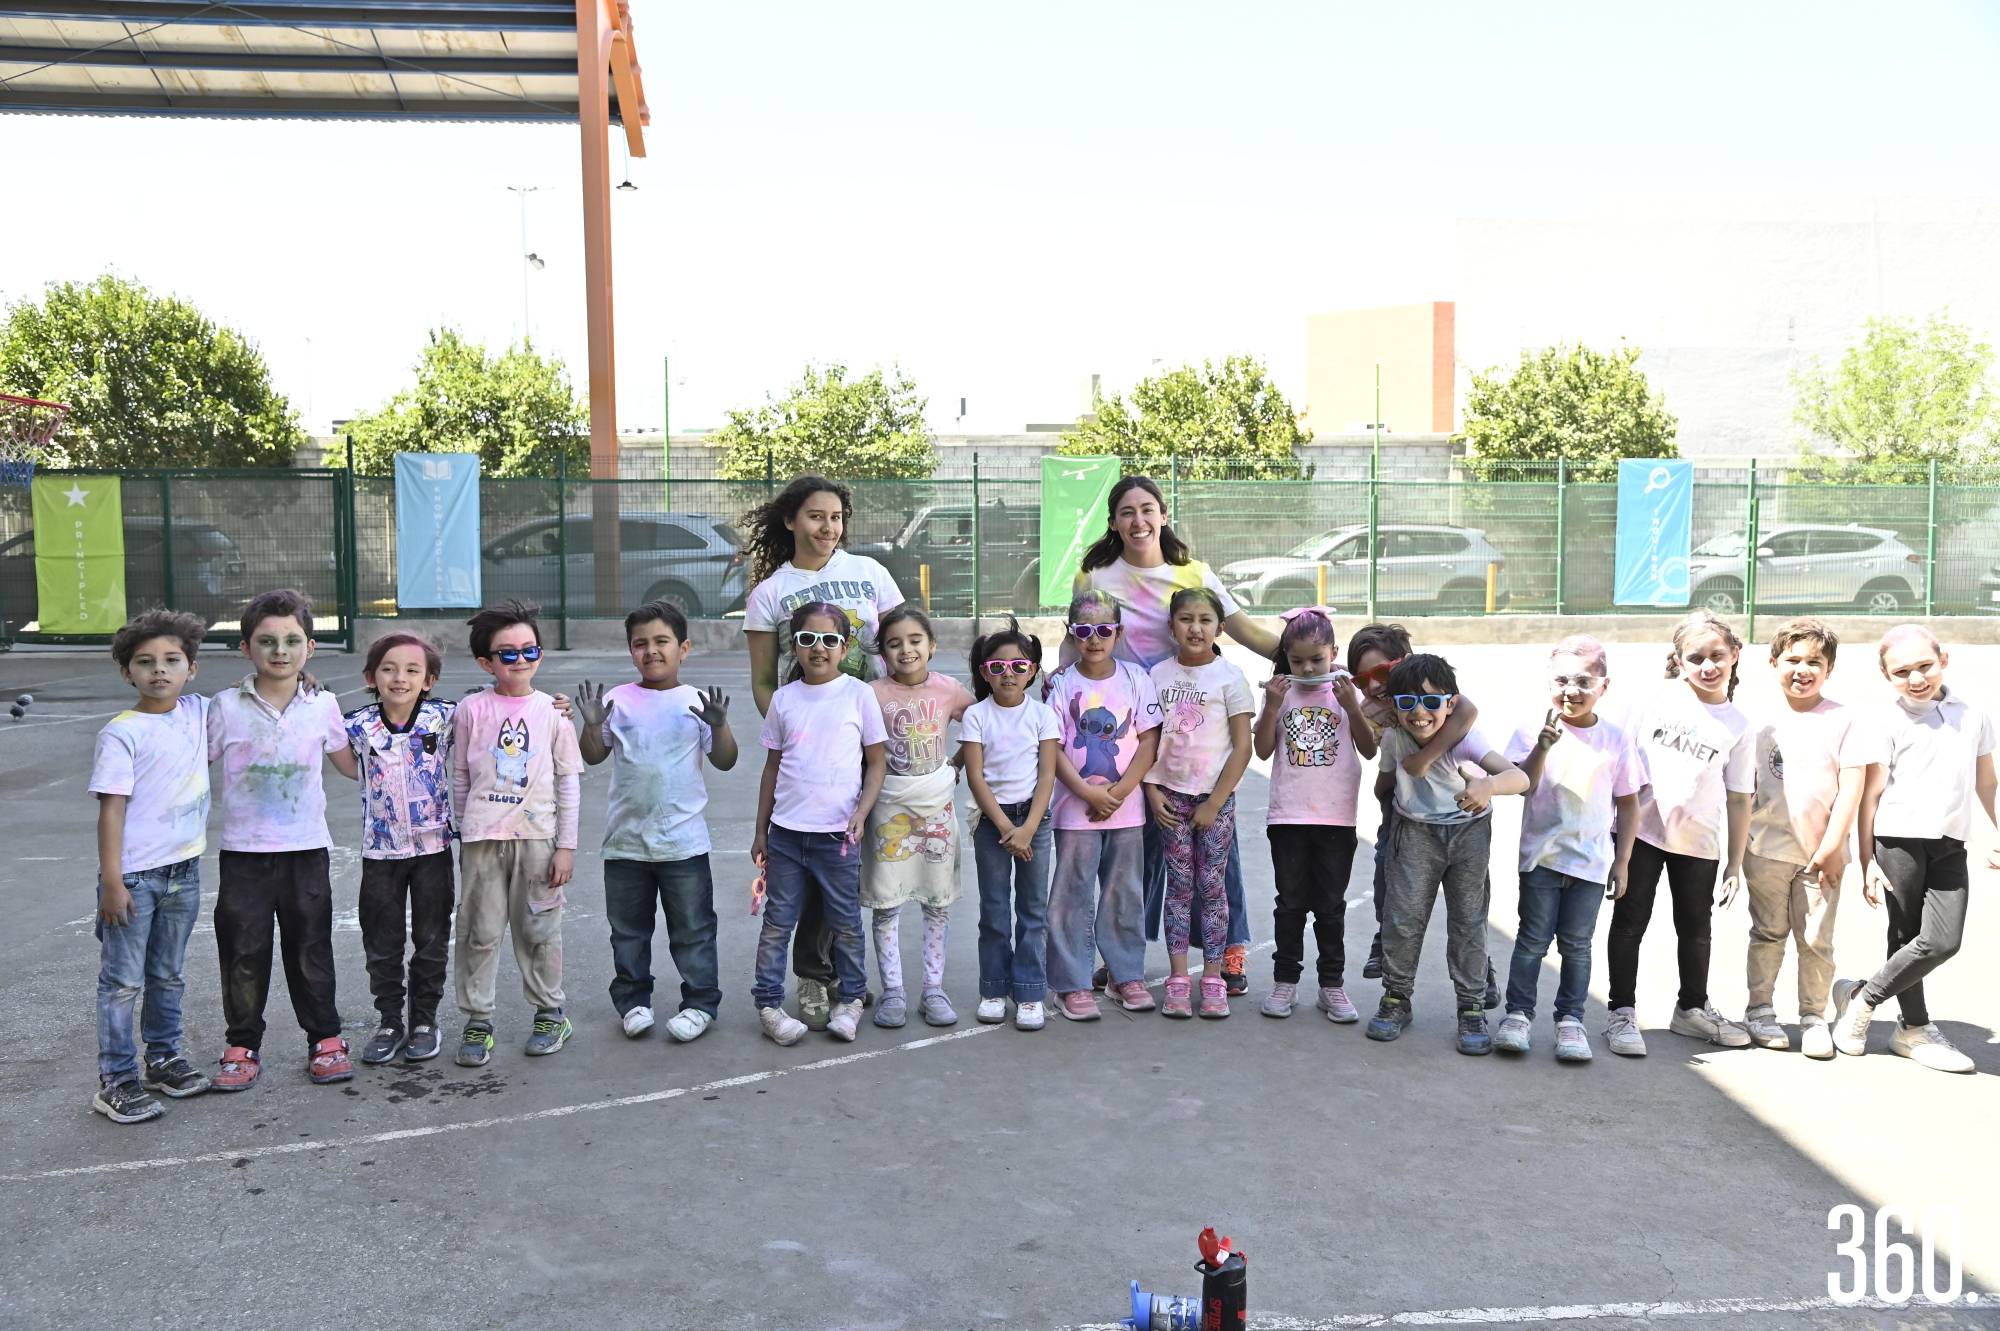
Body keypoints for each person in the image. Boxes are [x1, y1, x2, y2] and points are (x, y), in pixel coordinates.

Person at [1071, 475, 1273, 996]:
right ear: (1114, 522)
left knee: (1216, 851)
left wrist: (1303, 657)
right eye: (1127, 512)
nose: (1138, 520)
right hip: (1132, 729)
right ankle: (1124, 957)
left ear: (1163, 515)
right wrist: (1053, 683)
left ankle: (1229, 950)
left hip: (1196, 729)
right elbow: (1079, 638)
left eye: (1147, 509)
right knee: (1137, 849)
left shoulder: (1192, 573)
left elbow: (1244, 629)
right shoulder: (1095, 575)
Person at [741, 475, 902, 1030]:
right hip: (811, 748)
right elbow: (764, 680)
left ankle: (850, 977)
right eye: (815, 516)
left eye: (835, 517)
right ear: (791, 521)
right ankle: (814, 975)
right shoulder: (770, 593)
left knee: (851, 869)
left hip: (869, 734)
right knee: (805, 868)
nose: (827, 527)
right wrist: (799, 730)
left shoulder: (871, 573)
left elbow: (902, 644)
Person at [207, 589, 359, 1091]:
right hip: (244, 854)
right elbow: (189, 759)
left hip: (305, 850)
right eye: (267, 641)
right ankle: (241, 1045)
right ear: (245, 648)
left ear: (310, 648)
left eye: (292, 641)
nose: (280, 651)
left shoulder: (323, 704)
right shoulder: (225, 706)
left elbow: (353, 765)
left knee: (311, 949)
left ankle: (325, 1039)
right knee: (243, 953)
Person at [1832, 625, 1997, 1074]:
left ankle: (1861, 998)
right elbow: (1869, 795)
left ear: (1944, 660)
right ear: (1886, 675)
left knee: (1943, 941)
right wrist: (1866, 859)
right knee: (1905, 936)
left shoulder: (1972, 715)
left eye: (1925, 666)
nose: (1917, 678)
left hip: (1950, 843)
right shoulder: (1884, 721)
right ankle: (1913, 1028)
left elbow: (1987, 783)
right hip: (1896, 841)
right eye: (1902, 671)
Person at [577, 600, 738, 1046]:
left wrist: (719, 727)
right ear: (631, 651)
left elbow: (726, 761)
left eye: (662, 641)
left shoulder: (695, 703)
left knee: (694, 930)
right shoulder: (618, 701)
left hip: (683, 844)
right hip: (625, 843)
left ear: (683, 648)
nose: (651, 650)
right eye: (640, 643)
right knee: (628, 932)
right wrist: (591, 726)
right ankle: (633, 1002)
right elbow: (594, 755)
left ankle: (700, 1003)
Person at [1604, 611, 1754, 1057]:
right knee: (1630, 921)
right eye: (1696, 658)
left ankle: (1691, 1008)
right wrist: (1610, 834)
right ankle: (1621, 1011)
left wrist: (1734, 863)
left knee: (1695, 928)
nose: (1708, 666)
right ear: (1678, 660)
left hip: (1698, 843)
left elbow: (1739, 797)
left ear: (1735, 655)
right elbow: (1618, 765)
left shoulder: (1738, 725)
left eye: (1717, 656)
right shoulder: (1653, 700)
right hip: (1641, 835)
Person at [89, 609, 215, 1123]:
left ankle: (163, 1059)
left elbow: (255, 694)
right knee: (122, 982)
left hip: (184, 871)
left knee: (167, 974)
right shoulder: (122, 733)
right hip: (135, 878)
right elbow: (111, 810)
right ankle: (116, 1081)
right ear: (127, 672)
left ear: (191, 669)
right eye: (145, 662)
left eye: (172, 660)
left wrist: (307, 679)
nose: (159, 669)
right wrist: (112, 882)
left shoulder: (199, 711)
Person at [1366, 652, 1527, 1054]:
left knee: (1468, 921)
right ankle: (1396, 998)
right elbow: (1383, 783)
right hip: (1414, 833)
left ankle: (1471, 1006)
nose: (1419, 712)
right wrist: (1392, 815)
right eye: (1407, 702)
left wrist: (1488, 786)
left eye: (1431, 701)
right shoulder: (1394, 738)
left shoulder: (1466, 739)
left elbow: (1519, 777)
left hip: (1468, 834)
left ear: (1451, 704)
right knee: (1403, 918)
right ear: (1394, 706)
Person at [1495, 636, 1642, 1062]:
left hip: (1591, 864)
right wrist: (1542, 747)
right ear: (1549, 682)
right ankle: (1518, 1015)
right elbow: (1523, 785)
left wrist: (1623, 860)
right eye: (1561, 681)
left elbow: (1628, 802)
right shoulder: (1531, 730)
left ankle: (1571, 1020)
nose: (1571, 691)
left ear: (1603, 686)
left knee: (1577, 945)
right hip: (1541, 859)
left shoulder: (1615, 739)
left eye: (1583, 682)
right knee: (1532, 941)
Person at [450, 598, 583, 1066]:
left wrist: (565, 846)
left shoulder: (553, 713)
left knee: (539, 932)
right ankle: (477, 1020)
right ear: (485, 662)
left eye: (530, 650)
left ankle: (550, 1013)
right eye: (507, 653)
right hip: (482, 843)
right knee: (479, 933)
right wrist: (467, 830)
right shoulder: (470, 710)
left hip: (538, 842)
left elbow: (568, 781)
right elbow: (460, 776)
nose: (521, 660)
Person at [751, 603, 888, 1045]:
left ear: (845, 647)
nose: (818, 648)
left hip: (838, 836)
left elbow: (877, 762)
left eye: (830, 639)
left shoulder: (858, 695)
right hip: (787, 836)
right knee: (777, 922)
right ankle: (769, 1005)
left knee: (845, 922)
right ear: (794, 646)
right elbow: (772, 768)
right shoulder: (784, 700)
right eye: (807, 639)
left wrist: (861, 813)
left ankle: (850, 1001)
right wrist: (761, 831)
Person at [1347, 622, 1492, 1005]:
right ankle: (1386, 944)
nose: (1373, 685)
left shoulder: (1429, 692)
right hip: (1404, 805)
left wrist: (1425, 757)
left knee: (1468, 912)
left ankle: (1482, 975)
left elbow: (1468, 709)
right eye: (1363, 679)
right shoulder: (1372, 706)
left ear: (1403, 662)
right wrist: (1353, 706)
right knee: (1390, 884)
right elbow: (1372, 754)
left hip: (1455, 812)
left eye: (1381, 672)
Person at [1740, 619, 1866, 1060]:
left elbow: (1852, 786)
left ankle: (1813, 1017)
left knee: (1815, 939)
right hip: (1765, 851)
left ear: (1829, 668)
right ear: (1774, 662)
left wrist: (1832, 847)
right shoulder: (1756, 721)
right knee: (1767, 933)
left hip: (1822, 855)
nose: (1803, 669)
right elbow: (1741, 789)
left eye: (1815, 662)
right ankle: (1760, 1010)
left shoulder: (1844, 719)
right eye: (1793, 659)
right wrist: (1736, 851)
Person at [1042, 591, 1161, 1020]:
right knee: (1071, 895)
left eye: (1104, 630)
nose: (1094, 639)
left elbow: (1149, 740)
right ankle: (1071, 983)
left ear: (1118, 633)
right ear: (1071, 633)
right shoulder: (1061, 685)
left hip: (1126, 812)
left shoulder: (1136, 678)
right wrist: (1087, 792)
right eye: (1084, 630)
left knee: (1123, 893)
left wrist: (1120, 791)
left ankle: (1124, 974)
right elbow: (1052, 746)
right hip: (1074, 812)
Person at [1253, 606, 1373, 1023]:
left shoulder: (1347, 691)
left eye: (1316, 660)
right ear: (1285, 658)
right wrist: (1271, 705)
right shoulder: (1280, 693)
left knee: (1330, 906)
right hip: (1288, 817)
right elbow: (1262, 751)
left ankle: (1331, 985)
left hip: (1336, 818)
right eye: (1297, 660)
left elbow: (1369, 749)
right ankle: (1285, 981)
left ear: (1333, 653)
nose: (1306, 669)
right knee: (1289, 905)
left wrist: (1352, 707)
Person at [342, 631, 456, 1066]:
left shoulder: (445, 717)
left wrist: (556, 707)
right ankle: (390, 1021)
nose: (399, 678)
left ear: (429, 680)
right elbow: (319, 733)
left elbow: (497, 712)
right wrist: (307, 688)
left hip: (432, 850)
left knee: (431, 939)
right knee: (382, 942)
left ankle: (424, 1020)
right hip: (380, 853)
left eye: (412, 670)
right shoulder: (356, 725)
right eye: (388, 669)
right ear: (371, 677)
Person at [1145, 588, 1255, 1020]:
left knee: (1212, 889)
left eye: (1205, 620)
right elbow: (1147, 740)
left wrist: (1215, 802)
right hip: (1169, 800)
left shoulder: (1230, 677)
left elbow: (1243, 748)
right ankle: (1177, 978)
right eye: (1186, 619)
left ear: (1219, 628)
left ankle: (1212, 978)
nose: (1195, 628)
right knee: (1178, 888)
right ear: (1171, 627)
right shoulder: (1157, 675)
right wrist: (1151, 790)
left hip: (1215, 802)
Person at [864, 604, 972, 1029]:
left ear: (932, 646)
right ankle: (893, 990)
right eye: (894, 644)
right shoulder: (871, 694)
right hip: (888, 807)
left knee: (937, 903)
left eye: (915, 641)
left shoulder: (949, 690)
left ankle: (933, 989)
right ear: (882, 653)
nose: (905, 650)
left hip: (936, 807)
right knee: (886, 904)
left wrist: (957, 764)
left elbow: (982, 724)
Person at [962, 617, 1063, 1031]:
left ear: (1032, 671)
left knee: (1033, 909)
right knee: (994, 909)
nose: (1009, 674)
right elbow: (975, 776)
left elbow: (1047, 775)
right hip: (993, 823)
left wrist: (1028, 829)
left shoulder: (1042, 715)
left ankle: (1029, 991)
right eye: (998, 667)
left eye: (1019, 666)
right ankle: (993, 989)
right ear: (985, 672)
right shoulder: (976, 716)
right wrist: (1007, 827)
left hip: (1034, 821)